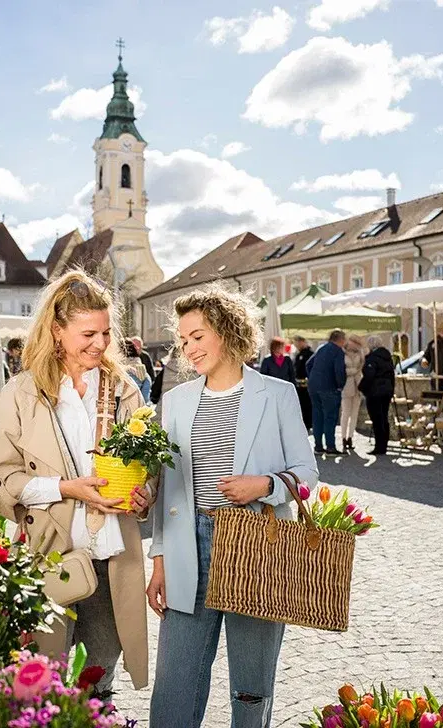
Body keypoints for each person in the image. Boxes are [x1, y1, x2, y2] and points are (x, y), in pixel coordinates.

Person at [147, 283, 318, 728]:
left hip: (256, 544)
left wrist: (264, 484)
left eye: (198, 336)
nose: (189, 348)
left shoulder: (277, 395)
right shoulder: (175, 403)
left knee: (251, 685)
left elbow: (308, 474)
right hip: (190, 546)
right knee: (175, 682)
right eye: (184, 340)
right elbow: (168, 490)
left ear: (226, 330)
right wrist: (159, 561)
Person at [0, 270, 154, 695]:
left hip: (112, 558)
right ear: (57, 331)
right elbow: (0, 480)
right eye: (87, 334)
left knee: (97, 683)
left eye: (105, 332)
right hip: (48, 556)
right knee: (43, 684)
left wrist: (144, 493)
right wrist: (65, 488)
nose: (99, 343)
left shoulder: (124, 391)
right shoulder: (22, 393)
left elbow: (147, 467)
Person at [306, 330, 347, 455]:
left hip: (314, 386)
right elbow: (339, 370)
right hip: (329, 387)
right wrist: (340, 385)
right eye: (344, 339)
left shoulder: (321, 348)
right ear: (339, 339)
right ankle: (330, 447)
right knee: (330, 417)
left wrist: (313, 378)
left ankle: (318, 446)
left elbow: (308, 364)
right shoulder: (337, 351)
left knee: (317, 415)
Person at [360, 336, 395, 456]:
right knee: (384, 418)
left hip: (375, 392)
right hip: (386, 391)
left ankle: (379, 447)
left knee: (376, 419)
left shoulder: (372, 358)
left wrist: (362, 388)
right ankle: (384, 445)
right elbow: (392, 376)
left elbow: (369, 376)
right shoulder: (387, 357)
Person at [340, 334, 365, 451]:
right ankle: (343, 438)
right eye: (353, 342)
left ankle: (350, 437)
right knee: (345, 413)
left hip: (358, 384)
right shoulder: (342, 353)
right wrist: (352, 371)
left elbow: (362, 366)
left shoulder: (360, 353)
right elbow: (340, 369)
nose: (354, 344)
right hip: (347, 384)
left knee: (355, 413)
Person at [292, 335, 314, 432]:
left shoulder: (310, 354)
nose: (296, 345)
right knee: (300, 405)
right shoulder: (298, 354)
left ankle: (308, 424)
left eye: (297, 342)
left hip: (307, 385)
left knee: (307, 405)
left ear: (302, 342)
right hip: (299, 385)